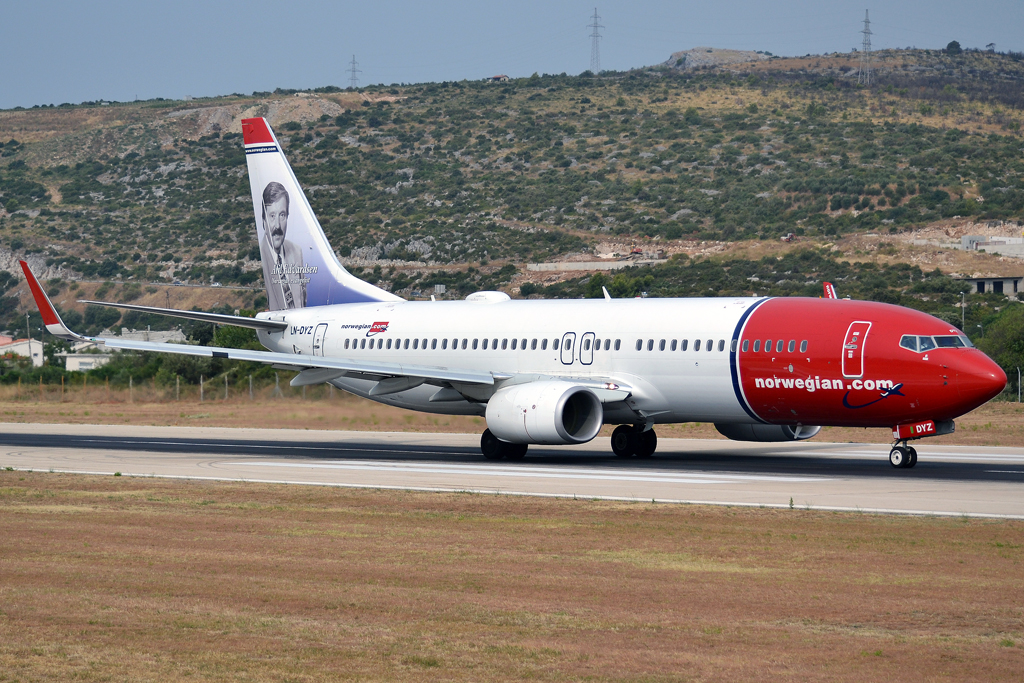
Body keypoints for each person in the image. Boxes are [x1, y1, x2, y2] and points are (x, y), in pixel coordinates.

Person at [258, 181, 306, 309]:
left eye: (282, 215)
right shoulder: (260, 255)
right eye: (272, 216)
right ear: (264, 221)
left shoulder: (297, 252)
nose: (277, 225)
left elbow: (303, 299)